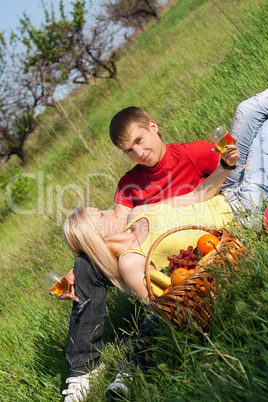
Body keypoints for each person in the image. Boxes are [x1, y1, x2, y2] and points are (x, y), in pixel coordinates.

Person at [57, 88, 268, 400]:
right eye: (129, 150)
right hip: (238, 212)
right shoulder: (131, 246)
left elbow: (198, 196)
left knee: (249, 111)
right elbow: (165, 304)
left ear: (153, 127)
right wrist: (77, 270)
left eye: (139, 142)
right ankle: (86, 372)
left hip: (228, 191)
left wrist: (224, 165)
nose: (138, 152)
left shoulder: (141, 208)